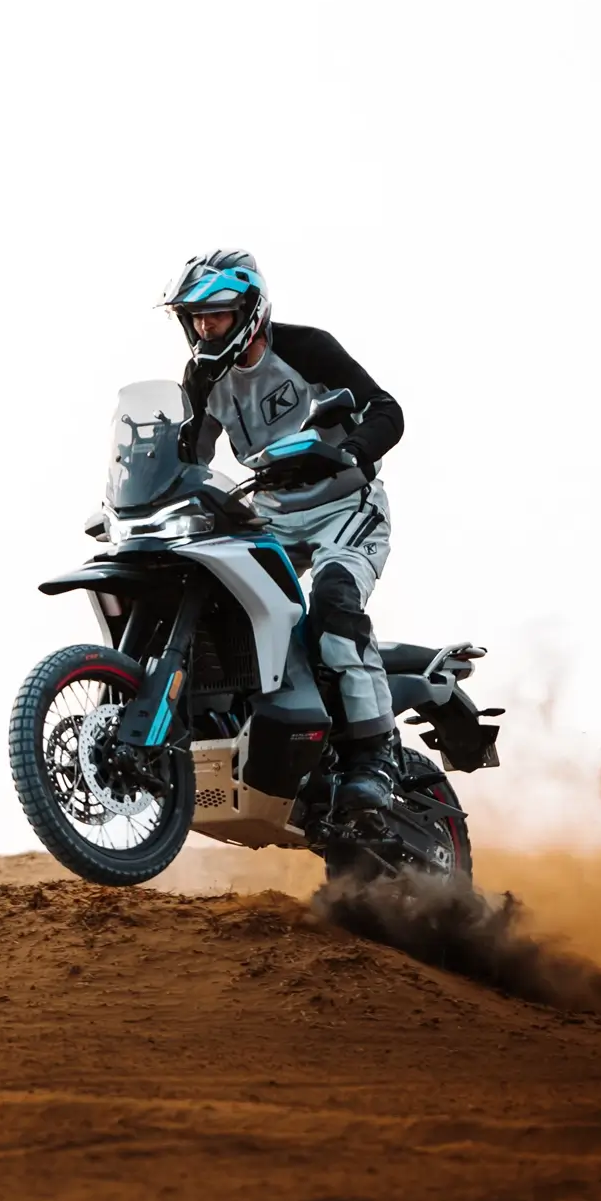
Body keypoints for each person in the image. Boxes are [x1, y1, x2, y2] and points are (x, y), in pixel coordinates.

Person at [164, 250, 407, 815]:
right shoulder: (201, 377)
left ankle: (376, 756)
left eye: (217, 314)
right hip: (270, 513)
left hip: (345, 506)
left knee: (334, 603)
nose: (205, 326)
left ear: (250, 310)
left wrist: (352, 450)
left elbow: (387, 410)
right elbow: (189, 457)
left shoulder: (305, 348)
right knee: (214, 598)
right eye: (196, 317)